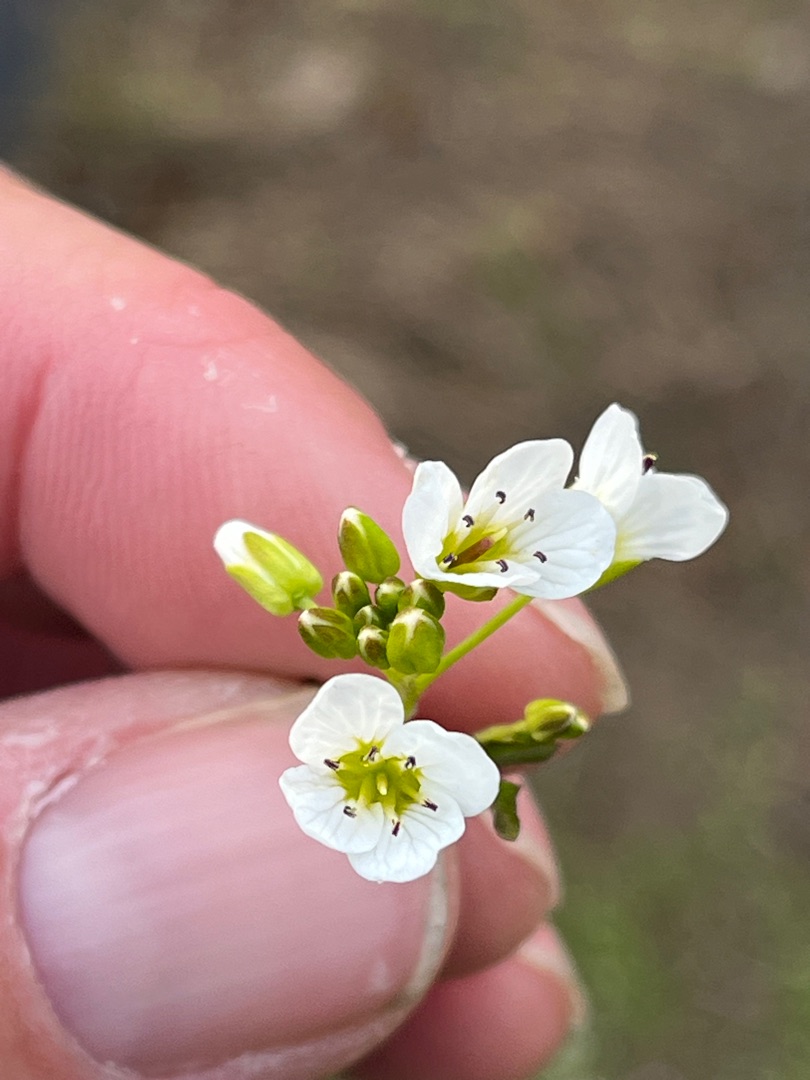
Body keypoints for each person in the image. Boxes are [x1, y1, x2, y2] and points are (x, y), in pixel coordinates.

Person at [0, 166, 625, 1080]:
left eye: (380, 777)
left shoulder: (393, 697)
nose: (382, 772)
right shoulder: (368, 702)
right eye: (383, 776)